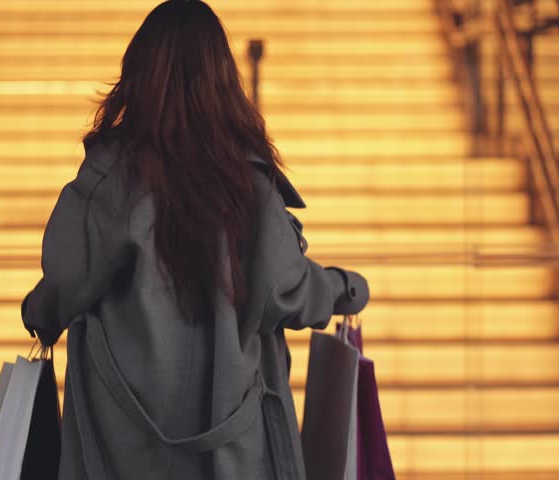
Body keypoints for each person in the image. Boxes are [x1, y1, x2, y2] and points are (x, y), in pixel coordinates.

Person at [20, 1, 369, 478]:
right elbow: (288, 290)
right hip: (232, 455)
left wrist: (38, 311)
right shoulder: (245, 186)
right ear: (224, 81)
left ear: (137, 77)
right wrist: (346, 289)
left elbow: (60, 287)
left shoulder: (108, 179)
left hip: (117, 455)